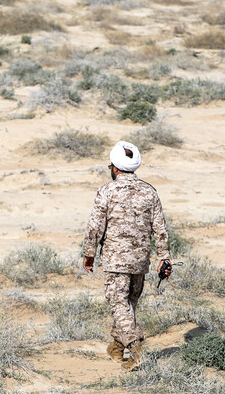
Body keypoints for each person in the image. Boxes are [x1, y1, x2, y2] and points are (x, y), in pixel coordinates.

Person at [82, 140, 171, 371]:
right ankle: (116, 347)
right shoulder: (150, 191)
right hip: (141, 261)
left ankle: (134, 346)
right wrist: (165, 257)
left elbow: (95, 226)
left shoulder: (107, 191)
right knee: (129, 303)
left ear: (114, 167)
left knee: (118, 302)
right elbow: (160, 228)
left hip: (115, 260)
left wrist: (89, 253)